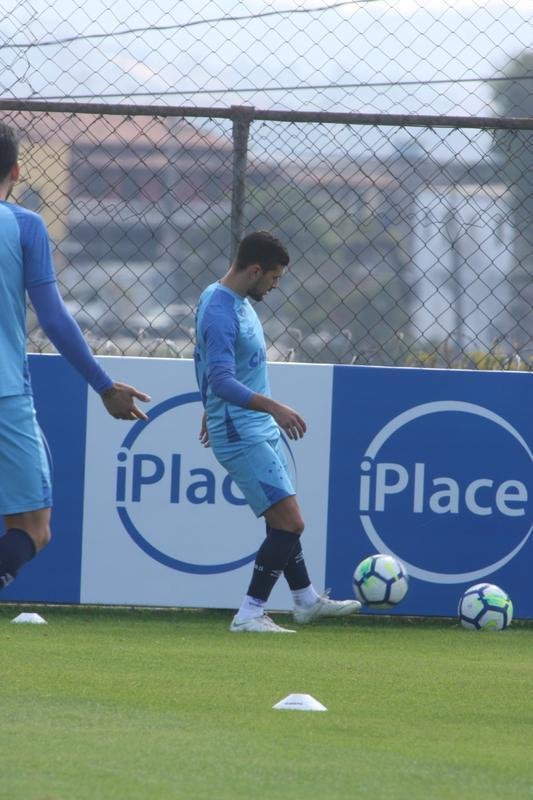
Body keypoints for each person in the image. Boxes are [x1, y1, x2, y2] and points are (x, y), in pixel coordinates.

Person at [0, 121, 151, 591]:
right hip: (4, 394)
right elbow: (53, 318)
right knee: (31, 528)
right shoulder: (24, 224)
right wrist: (105, 386)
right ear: (18, 171)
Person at [194, 230, 361, 632]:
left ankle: (305, 600)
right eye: (274, 278)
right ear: (255, 271)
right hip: (242, 432)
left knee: (282, 519)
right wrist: (274, 407)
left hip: (251, 426)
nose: (275, 286)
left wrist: (209, 406)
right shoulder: (221, 310)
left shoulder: (226, 298)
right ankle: (250, 613)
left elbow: (209, 364)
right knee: (290, 522)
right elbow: (218, 377)